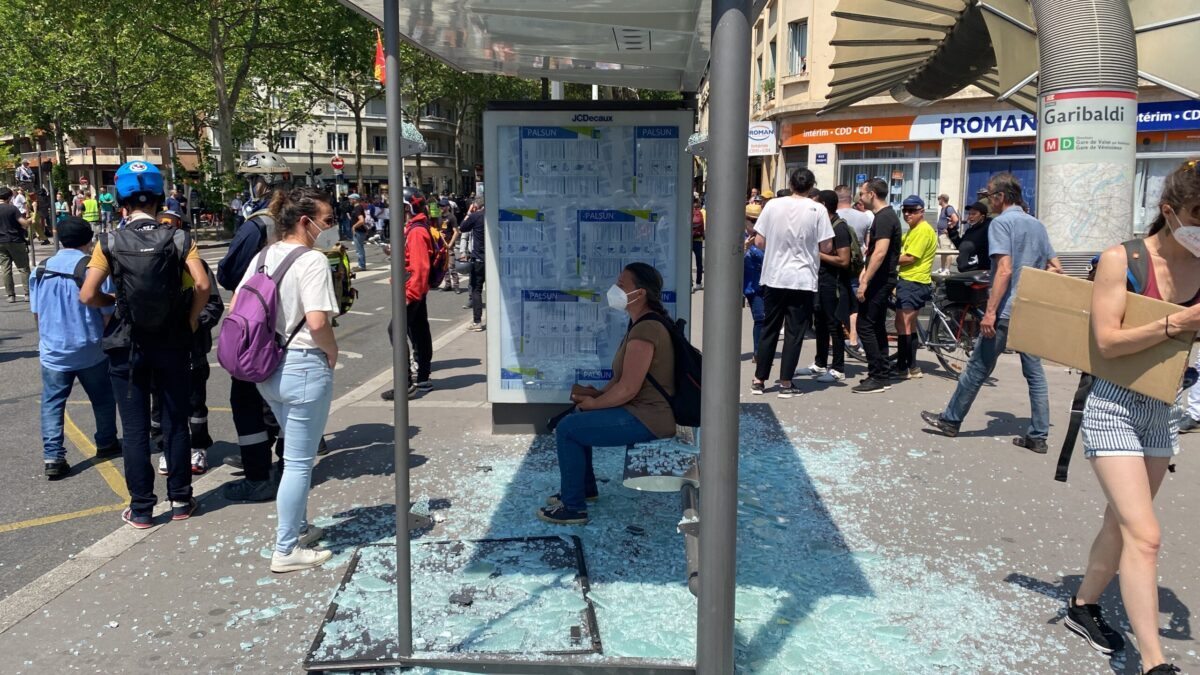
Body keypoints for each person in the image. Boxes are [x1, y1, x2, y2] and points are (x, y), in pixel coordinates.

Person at [1064, 162, 1200, 675]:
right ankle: (1154, 663)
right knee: (1146, 534)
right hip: (1113, 406)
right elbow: (1107, 342)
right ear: (1170, 212)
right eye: (1197, 217)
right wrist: (1178, 322)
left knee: (1121, 524)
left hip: (1162, 410)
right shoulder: (1123, 260)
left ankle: (1082, 605)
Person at [80, 160, 211, 529]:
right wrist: (189, 318)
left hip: (127, 344)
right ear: (159, 199)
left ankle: (141, 509)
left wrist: (115, 305)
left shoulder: (109, 242)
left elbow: (88, 295)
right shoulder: (180, 238)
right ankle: (182, 499)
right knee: (175, 421)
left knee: (135, 429)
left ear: (120, 202)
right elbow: (201, 285)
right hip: (171, 341)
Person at [233, 186, 338, 573]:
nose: (331, 227)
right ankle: (286, 548)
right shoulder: (312, 261)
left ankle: (299, 528)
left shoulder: (265, 255)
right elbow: (317, 321)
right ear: (305, 222)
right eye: (327, 221)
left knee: (295, 455)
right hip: (304, 366)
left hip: (267, 366)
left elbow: (238, 305)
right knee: (298, 462)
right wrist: (332, 351)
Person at [921, 172, 1060, 449]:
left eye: (989, 196)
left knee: (977, 368)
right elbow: (1055, 268)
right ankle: (1038, 436)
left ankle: (950, 420)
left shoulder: (1001, 225)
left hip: (1005, 311)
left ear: (1000, 197)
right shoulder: (1037, 226)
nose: (987, 202)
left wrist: (990, 312)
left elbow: (1004, 270)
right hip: (1029, 311)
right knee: (1035, 374)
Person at [539, 262, 676, 525]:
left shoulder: (646, 329)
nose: (615, 290)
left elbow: (628, 388)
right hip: (641, 410)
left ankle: (574, 507)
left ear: (641, 293)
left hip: (648, 417)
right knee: (577, 421)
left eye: (622, 286)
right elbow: (618, 380)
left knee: (569, 429)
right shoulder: (639, 323)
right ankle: (584, 490)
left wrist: (594, 405)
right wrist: (596, 397)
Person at [217, 152, 292, 503]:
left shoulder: (257, 224)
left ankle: (258, 475)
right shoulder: (300, 218)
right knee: (285, 400)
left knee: (246, 401)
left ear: (261, 183)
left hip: (259, 325)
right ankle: (287, 466)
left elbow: (228, 273)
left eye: (252, 179)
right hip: (294, 323)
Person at [31, 216, 121, 479]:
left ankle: (53, 456)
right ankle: (106, 442)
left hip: (53, 349)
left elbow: (36, 313)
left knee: (52, 402)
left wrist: (46, 338)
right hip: (89, 347)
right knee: (102, 398)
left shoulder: (41, 268)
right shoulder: (92, 268)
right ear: (88, 240)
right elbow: (106, 312)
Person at [749, 169, 834, 398]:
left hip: (774, 275)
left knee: (770, 328)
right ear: (811, 186)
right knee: (795, 332)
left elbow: (759, 240)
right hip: (802, 278)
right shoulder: (818, 209)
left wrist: (778, 248)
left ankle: (759, 380)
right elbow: (826, 246)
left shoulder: (773, 205)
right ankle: (786, 382)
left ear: (790, 184)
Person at [853, 178, 901, 393]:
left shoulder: (884, 218)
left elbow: (880, 252)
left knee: (865, 325)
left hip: (880, 280)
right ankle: (882, 370)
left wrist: (865, 281)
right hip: (882, 278)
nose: (860, 198)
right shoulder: (885, 216)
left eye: (862, 194)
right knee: (876, 325)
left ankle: (878, 374)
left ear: (872, 194)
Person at [800, 190, 852, 383]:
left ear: (823, 205)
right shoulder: (824, 225)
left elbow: (844, 260)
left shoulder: (839, 228)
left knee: (833, 324)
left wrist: (816, 254)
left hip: (833, 284)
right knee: (820, 323)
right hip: (820, 282)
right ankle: (820, 363)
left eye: (815, 204)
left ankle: (838, 368)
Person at [894, 195, 938, 379]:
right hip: (915, 281)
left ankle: (902, 368)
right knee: (908, 326)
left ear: (922, 211)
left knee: (903, 325)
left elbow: (911, 257)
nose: (907, 214)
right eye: (904, 210)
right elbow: (901, 244)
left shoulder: (922, 230)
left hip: (913, 281)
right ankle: (912, 367)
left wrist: (885, 260)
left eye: (912, 211)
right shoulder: (914, 230)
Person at [835, 185, 872, 351]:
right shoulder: (864, 218)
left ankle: (833, 339)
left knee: (834, 302)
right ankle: (854, 339)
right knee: (854, 305)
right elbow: (867, 244)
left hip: (835, 265)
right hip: (856, 266)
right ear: (851, 199)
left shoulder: (833, 217)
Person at [0, 187, 31, 303]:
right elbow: (24, 223)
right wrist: (29, 221)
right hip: (15, 240)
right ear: (9, 197)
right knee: (23, 268)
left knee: (6, 269)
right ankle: (27, 293)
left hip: (1, 242)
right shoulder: (12, 209)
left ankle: (10, 295)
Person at [459, 198, 486, 331]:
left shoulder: (475, 216)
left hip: (479, 259)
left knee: (476, 289)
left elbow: (462, 227)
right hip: (493, 260)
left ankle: (477, 321)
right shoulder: (493, 215)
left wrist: (469, 213)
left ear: (476, 206)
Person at [743, 203, 766, 358]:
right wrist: (744, 248)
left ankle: (760, 352)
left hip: (762, 283)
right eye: (751, 220)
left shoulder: (765, 237)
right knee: (760, 317)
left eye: (757, 220)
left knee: (763, 318)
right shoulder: (739, 236)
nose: (754, 224)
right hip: (747, 284)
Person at [947, 201, 992, 272]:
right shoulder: (970, 231)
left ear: (982, 216)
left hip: (981, 272)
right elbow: (960, 245)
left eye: (974, 214)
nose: (970, 216)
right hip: (965, 271)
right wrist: (952, 230)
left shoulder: (988, 229)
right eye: (969, 213)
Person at [348, 193, 368, 271]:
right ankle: (361, 265)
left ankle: (361, 265)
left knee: (359, 249)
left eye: (350, 199)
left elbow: (361, 220)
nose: (349, 201)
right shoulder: (358, 208)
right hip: (359, 231)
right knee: (359, 248)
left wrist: (354, 226)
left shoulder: (357, 208)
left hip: (358, 231)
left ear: (354, 200)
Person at [691, 197, 705, 291]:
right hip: (698, 240)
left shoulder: (688, 212)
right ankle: (698, 283)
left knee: (688, 263)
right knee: (699, 263)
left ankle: (690, 284)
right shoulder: (701, 213)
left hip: (689, 240)